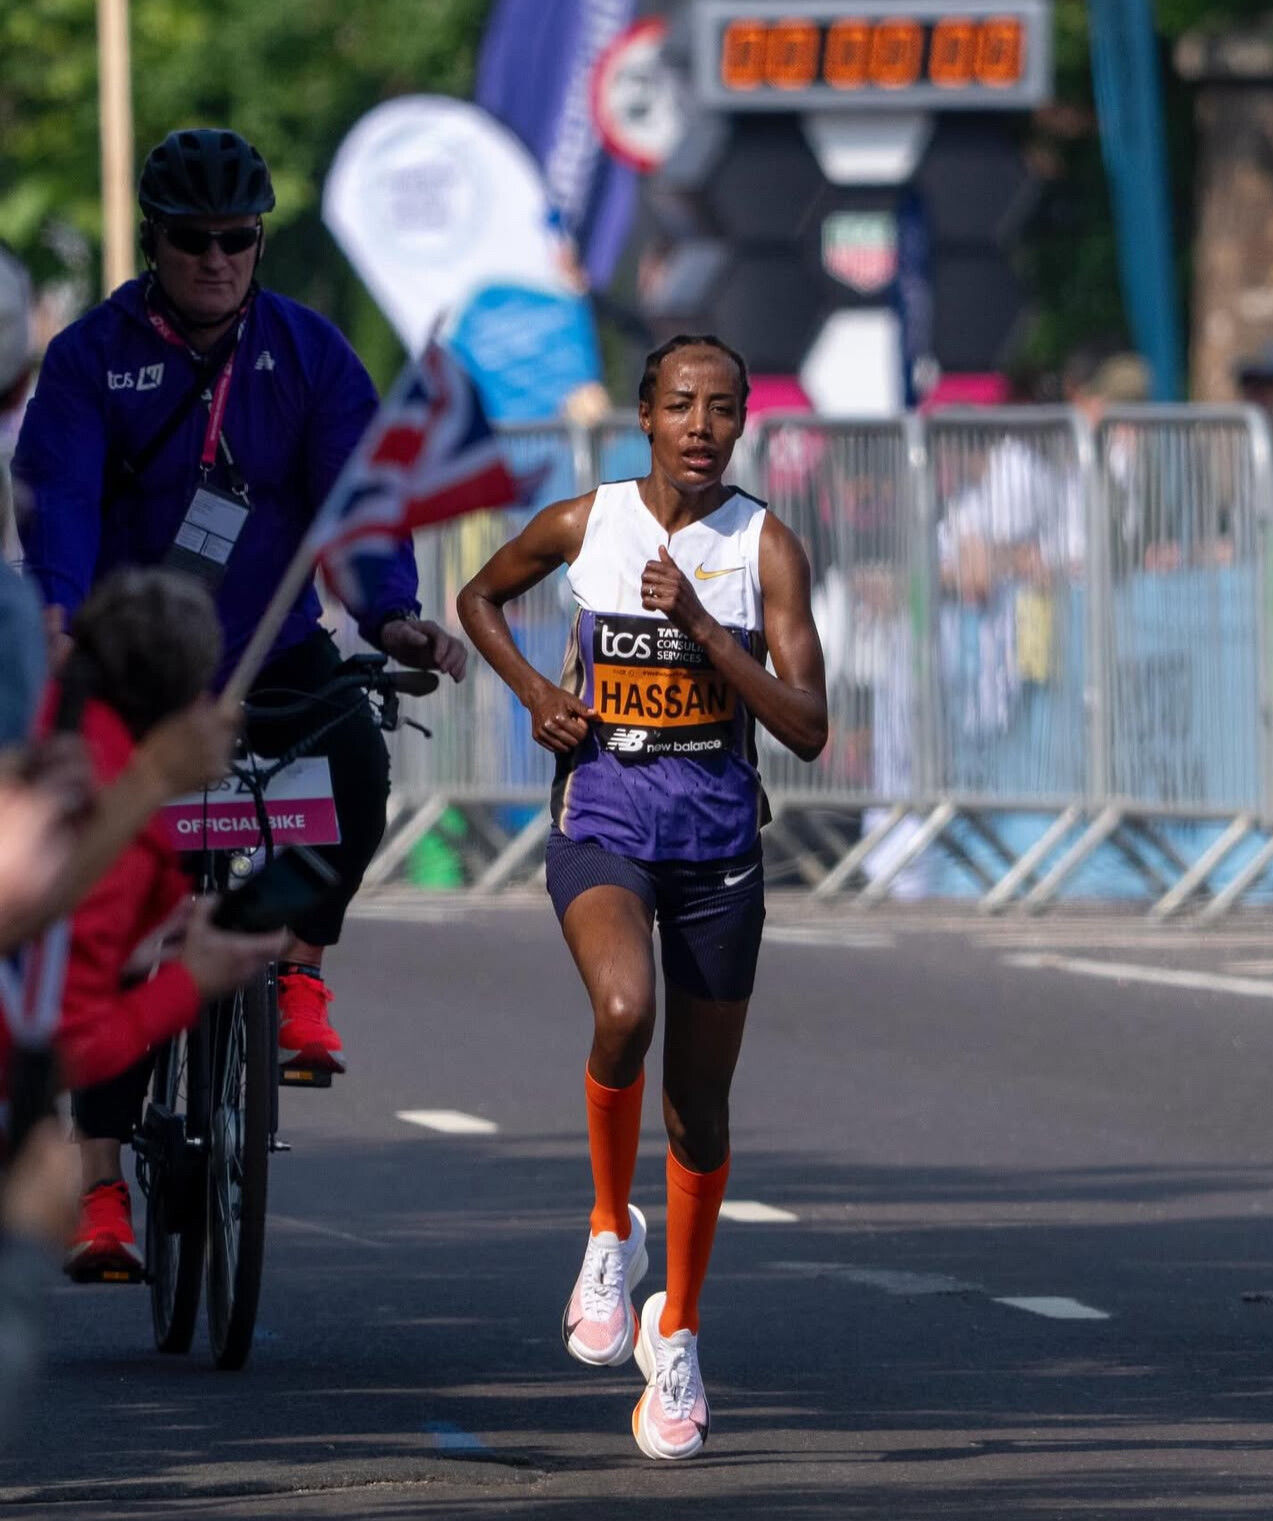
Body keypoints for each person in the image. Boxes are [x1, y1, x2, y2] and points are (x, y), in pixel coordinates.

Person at [12, 127, 467, 1079]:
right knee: (114, 893)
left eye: (237, 237)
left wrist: (393, 615)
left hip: (270, 645)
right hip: (131, 660)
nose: (216, 258)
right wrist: (57, 622)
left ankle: (298, 963)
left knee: (358, 767)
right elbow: (62, 499)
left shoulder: (311, 353)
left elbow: (358, 503)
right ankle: (100, 1150)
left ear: (259, 239)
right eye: (192, 238)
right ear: (153, 239)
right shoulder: (90, 355)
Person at [457, 335, 827, 1460]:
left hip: (717, 848)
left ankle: (679, 1330)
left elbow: (808, 726)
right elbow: (479, 596)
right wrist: (536, 693)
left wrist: (706, 631)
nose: (701, 427)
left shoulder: (765, 546)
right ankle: (610, 1230)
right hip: (605, 822)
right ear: (645, 416)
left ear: (744, 421)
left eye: (722, 409)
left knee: (699, 1111)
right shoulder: (590, 522)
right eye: (680, 405)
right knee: (624, 1010)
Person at [31, 569, 284, 1279]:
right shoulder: (102, 809)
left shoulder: (65, 744)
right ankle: (96, 1182)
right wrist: (185, 981)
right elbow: (75, 1042)